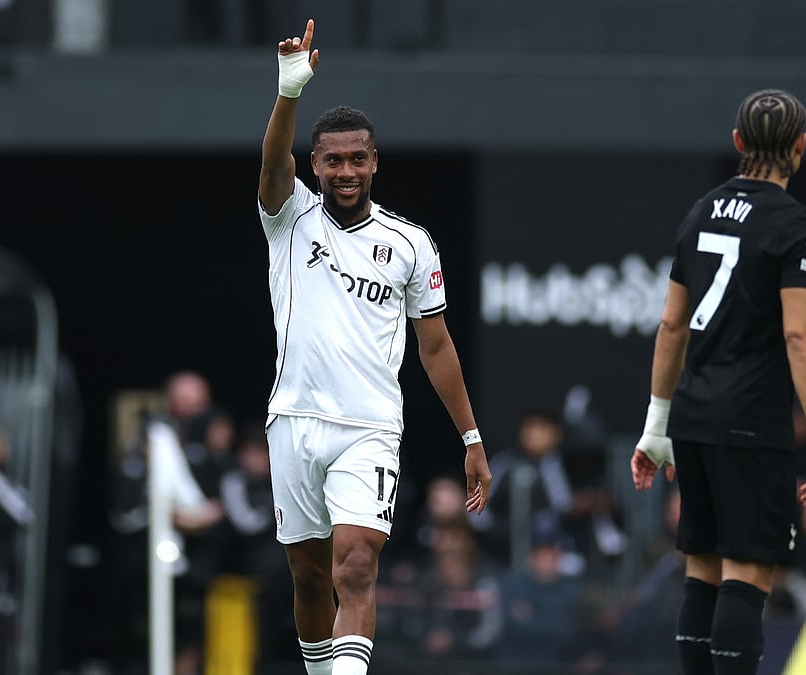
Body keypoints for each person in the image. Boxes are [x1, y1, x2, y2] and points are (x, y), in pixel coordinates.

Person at [257, 19, 493, 675]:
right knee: (308, 577)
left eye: (357, 158)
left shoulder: (411, 244)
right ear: (317, 165)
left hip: (369, 426)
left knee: (356, 561)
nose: (346, 170)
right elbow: (272, 163)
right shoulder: (289, 215)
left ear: (375, 161)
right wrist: (290, 90)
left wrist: (470, 437)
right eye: (332, 159)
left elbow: (437, 347)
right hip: (295, 419)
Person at [630, 88, 806, 675]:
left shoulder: (700, 211)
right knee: (747, 575)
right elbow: (801, 336)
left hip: (693, 417)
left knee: (702, 570)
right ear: (800, 148)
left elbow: (672, 325)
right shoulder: (800, 227)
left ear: (738, 144)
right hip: (753, 421)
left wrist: (656, 428)